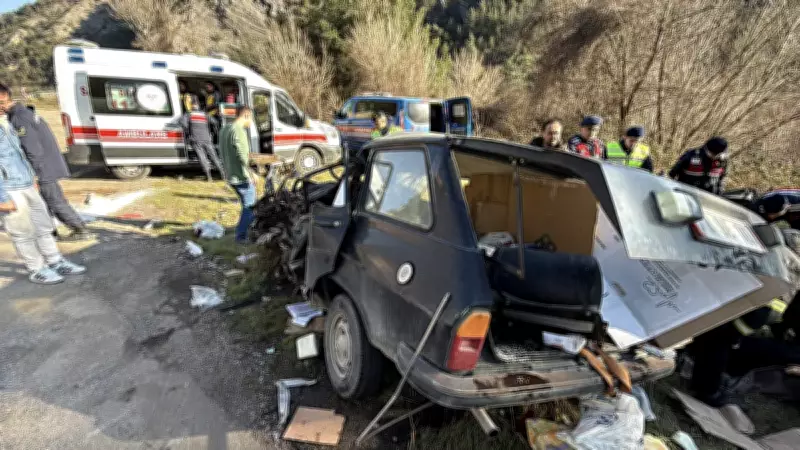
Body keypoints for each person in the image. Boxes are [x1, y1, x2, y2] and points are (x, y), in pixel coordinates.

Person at [0, 114, 87, 284]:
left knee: (44, 226)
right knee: (22, 232)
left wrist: (32, 177)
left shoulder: (6, 123)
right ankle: (36, 269)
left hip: (26, 183)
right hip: (9, 188)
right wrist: (2, 198)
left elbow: (19, 154)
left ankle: (55, 261)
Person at [0, 83, 93, 241]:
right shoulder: (21, 113)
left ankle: (80, 229)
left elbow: (32, 149)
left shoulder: (19, 118)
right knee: (43, 202)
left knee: (54, 200)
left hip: (42, 168)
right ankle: (49, 232)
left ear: (2, 99)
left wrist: (35, 175)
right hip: (44, 166)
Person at [219, 105, 255, 244]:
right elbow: (242, 155)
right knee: (250, 206)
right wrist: (252, 173)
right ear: (246, 115)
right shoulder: (239, 130)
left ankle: (248, 230)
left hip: (230, 175)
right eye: (251, 119)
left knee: (247, 205)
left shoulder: (225, 129)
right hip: (241, 177)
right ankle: (241, 237)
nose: (251, 122)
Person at [180, 95, 226, 182]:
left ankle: (209, 177)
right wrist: (213, 131)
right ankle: (223, 175)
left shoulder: (189, 114)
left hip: (196, 139)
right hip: (207, 139)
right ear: (198, 105)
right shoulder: (204, 114)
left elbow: (183, 123)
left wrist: (188, 133)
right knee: (214, 157)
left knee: (202, 157)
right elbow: (215, 122)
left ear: (192, 105)